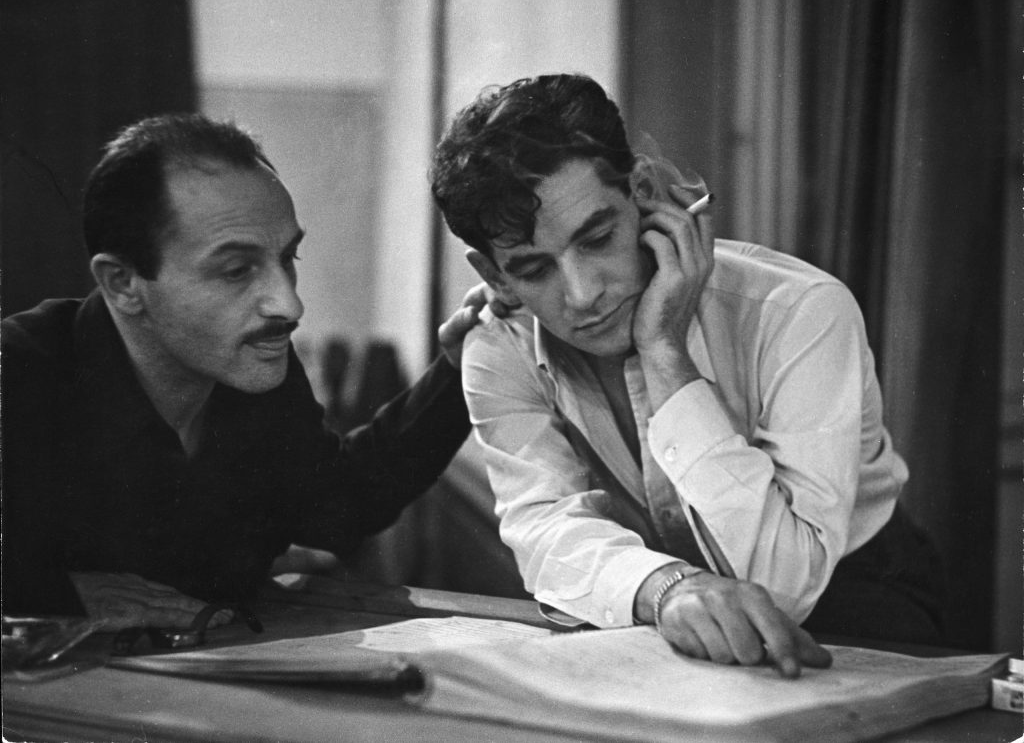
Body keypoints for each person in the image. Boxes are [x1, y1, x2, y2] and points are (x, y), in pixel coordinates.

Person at [430, 73, 943, 677]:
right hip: (669, 607)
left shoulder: (801, 312)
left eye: (597, 238)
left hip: (859, 597)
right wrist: (666, 587)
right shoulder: (498, 343)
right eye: (534, 269)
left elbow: (783, 586)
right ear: (492, 272)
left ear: (644, 194)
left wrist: (663, 350)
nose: (582, 294)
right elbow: (544, 527)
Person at [2, 113, 487, 632]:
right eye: (236, 270)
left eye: (288, 257)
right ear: (123, 283)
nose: (289, 304)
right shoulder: (19, 372)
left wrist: (460, 369)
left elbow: (342, 503)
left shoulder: (253, 371)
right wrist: (53, 593)